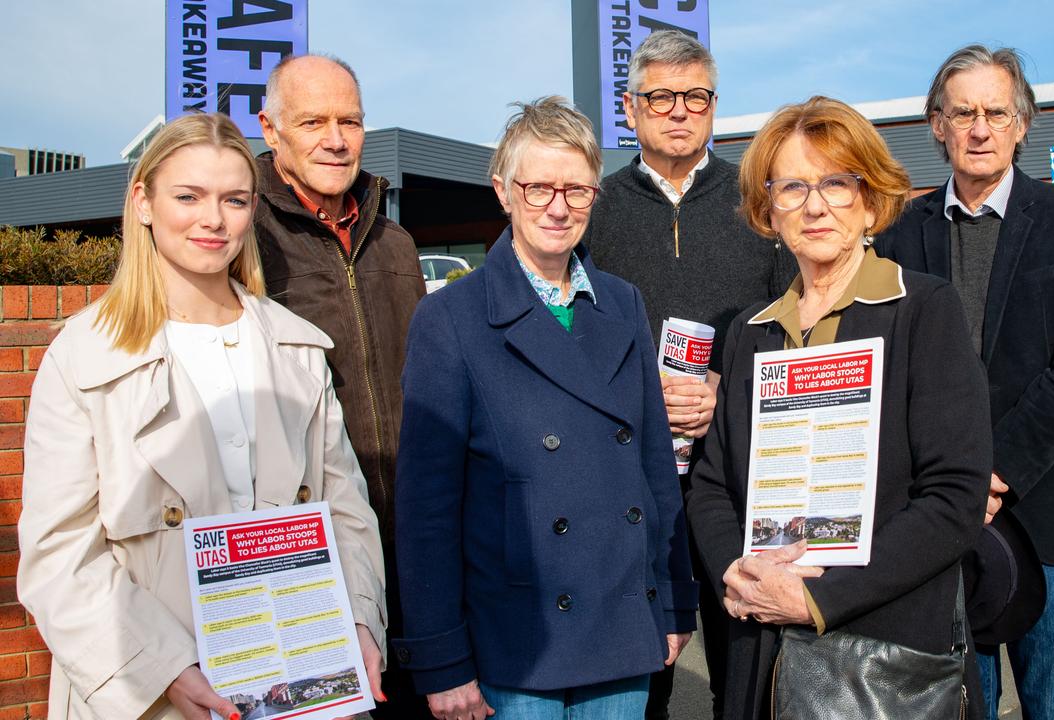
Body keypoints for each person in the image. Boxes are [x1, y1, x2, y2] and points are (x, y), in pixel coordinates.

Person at [17, 112, 386, 720]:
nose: (213, 219)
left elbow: (347, 510)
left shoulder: (298, 348)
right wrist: (163, 670)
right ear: (143, 202)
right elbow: (60, 556)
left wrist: (358, 621)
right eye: (188, 196)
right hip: (156, 698)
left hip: (304, 685)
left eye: (235, 200)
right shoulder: (82, 357)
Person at [685, 96, 992, 720]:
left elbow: (954, 497)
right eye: (792, 187)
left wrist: (817, 600)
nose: (815, 205)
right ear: (768, 208)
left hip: (885, 651)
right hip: (766, 644)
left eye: (836, 182)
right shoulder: (750, 331)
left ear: (871, 198)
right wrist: (734, 572)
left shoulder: (924, 311)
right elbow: (713, 484)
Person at [392, 97, 698, 720]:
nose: (558, 208)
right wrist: (442, 660)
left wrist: (672, 602)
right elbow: (426, 510)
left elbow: (653, 468)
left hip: (617, 628)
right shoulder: (450, 318)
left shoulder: (622, 302)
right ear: (503, 191)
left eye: (577, 190)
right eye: (538, 188)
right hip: (515, 641)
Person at [876, 44, 1054, 719]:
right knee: (963, 697)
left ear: (1022, 123)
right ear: (937, 124)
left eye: (996, 112)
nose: (980, 129)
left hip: (1048, 503)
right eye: (963, 113)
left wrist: (997, 471)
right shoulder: (897, 235)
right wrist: (951, 481)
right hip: (938, 509)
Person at [583, 30, 795, 719]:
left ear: (713, 104)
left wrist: (721, 391)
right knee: (643, 673)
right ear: (631, 108)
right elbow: (570, 336)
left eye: (695, 96)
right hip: (629, 481)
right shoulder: (592, 208)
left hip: (741, 477)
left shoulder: (761, 202)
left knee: (748, 663)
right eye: (662, 97)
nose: (679, 111)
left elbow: (796, 329)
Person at [255, 54, 425, 713]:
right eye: (313, 121)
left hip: (412, 547)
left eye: (350, 120)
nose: (335, 138)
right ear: (272, 131)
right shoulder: (248, 241)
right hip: (306, 555)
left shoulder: (396, 244)